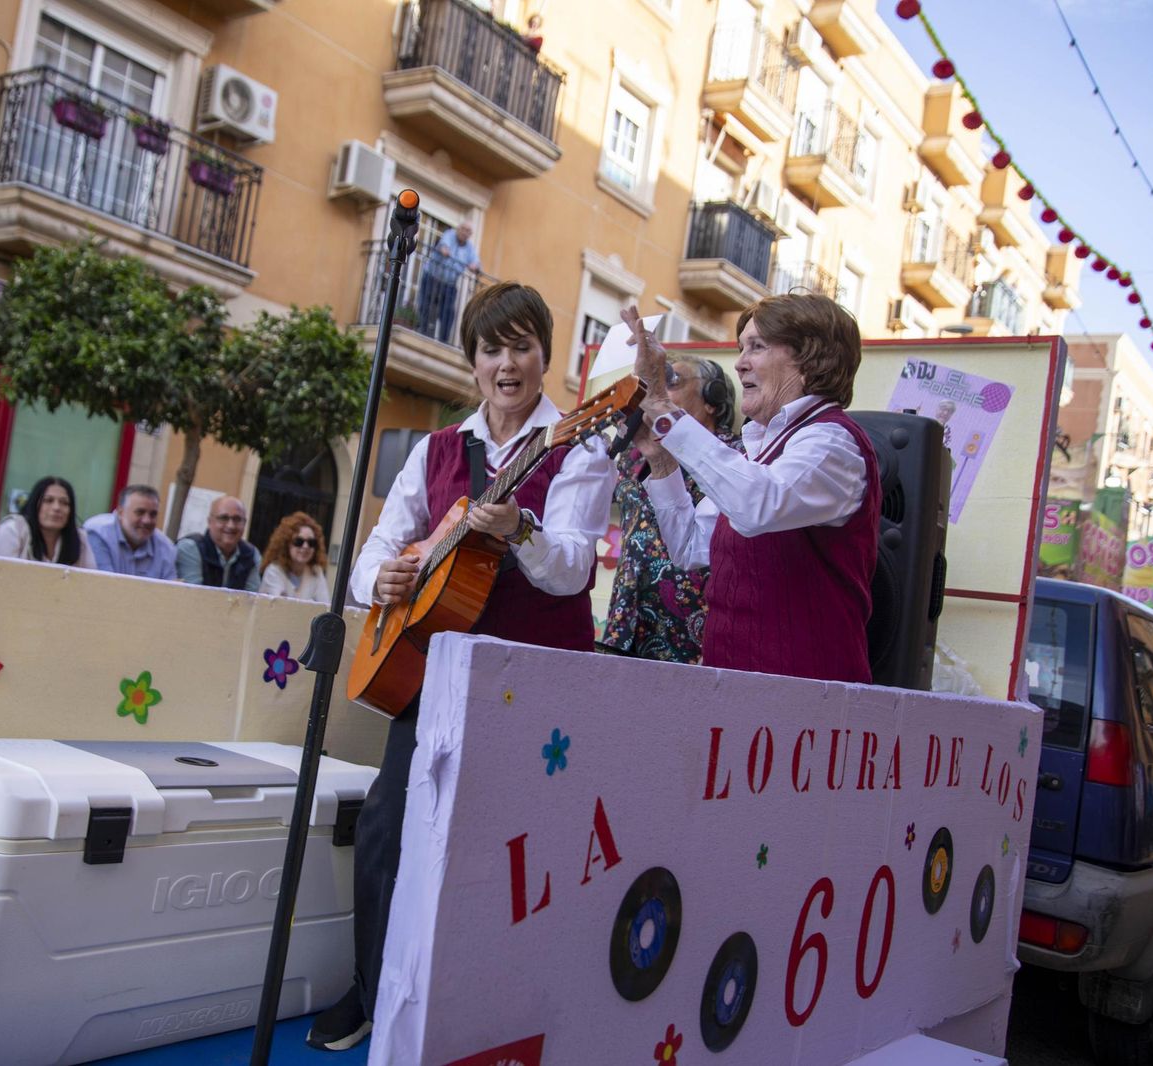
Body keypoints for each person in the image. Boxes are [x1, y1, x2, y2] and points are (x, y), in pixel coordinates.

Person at [307, 281, 611, 1051]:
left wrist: (520, 530)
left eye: (522, 347)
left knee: (517, 844)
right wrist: (380, 579)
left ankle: (503, 1005)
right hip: (433, 669)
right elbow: (381, 544)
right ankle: (376, 988)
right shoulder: (437, 449)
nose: (506, 365)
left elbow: (573, 568)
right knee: (387, 827)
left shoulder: (578, 445)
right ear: (471, 360)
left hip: (536, 684)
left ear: (545, 355)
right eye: (491, 349)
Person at [627, 292, 881, 683]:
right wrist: (661, 460)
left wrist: (662, 406)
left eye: (757, 347)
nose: (740, 363)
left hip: (806, 693)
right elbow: (689, 546)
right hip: (734, 687)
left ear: (809, 360)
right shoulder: (760, 450)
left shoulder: (833, 442)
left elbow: (756, 505)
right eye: (742, 347)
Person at [599, 357, 738, 662]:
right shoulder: (633, 456)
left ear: (712, 400)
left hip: (692, 631)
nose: (657, 393)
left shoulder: (733, 456)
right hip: (627, 623)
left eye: (672, 382)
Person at [0, 476, 94, 567]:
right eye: (48, 500)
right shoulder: (13, 529)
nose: (57, 508)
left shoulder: (80, 538)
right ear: (34, 504)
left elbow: (90, 579)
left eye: (64, 503)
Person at [84, 485, 178, 579]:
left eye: (153, 514)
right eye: (140, 512)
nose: (147, 521)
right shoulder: (98, 533)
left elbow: (169, 586)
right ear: (120, 512)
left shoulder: (166, 548)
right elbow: (103, 582)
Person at [177, 495, 260, 591]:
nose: (231, 525)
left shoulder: (251, 554)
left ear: (244, 523)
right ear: (209, 522)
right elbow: (194, 595)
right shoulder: (190, 548)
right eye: (224, 518)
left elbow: (251, 597)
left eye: (237, 519)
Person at [417, 221, 480, 343]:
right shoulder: (449, 234)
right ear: (458, 229)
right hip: (432, 277)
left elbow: (476, 264)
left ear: (470, 235)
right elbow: (444, 246)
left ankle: (443, 340)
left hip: (449, 284)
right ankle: (422, 330)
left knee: (448, 313)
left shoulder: (469, 248)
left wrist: (475, 266)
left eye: (468, 231)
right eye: (463, 229)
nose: (465, 233)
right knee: (426, 305)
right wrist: (444, 250)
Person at [259, 511, 331, 603]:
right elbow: (280, 606)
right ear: (286, 544)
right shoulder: (273, 571)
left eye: (311, 542)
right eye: (298, 541)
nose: (305, 546)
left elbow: (325, 606)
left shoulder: (316, 572)